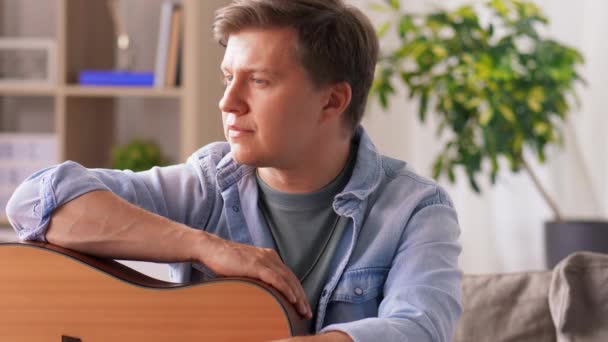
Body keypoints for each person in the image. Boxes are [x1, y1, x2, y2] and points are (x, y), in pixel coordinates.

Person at [5, 0, 462, 341]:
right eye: (229, 77)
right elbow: (35, 201)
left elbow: (420, 327)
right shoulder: (206, 183)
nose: (228, 102)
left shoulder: (415, 210)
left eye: (258, 81)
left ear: (332, 100)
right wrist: (205, 246)